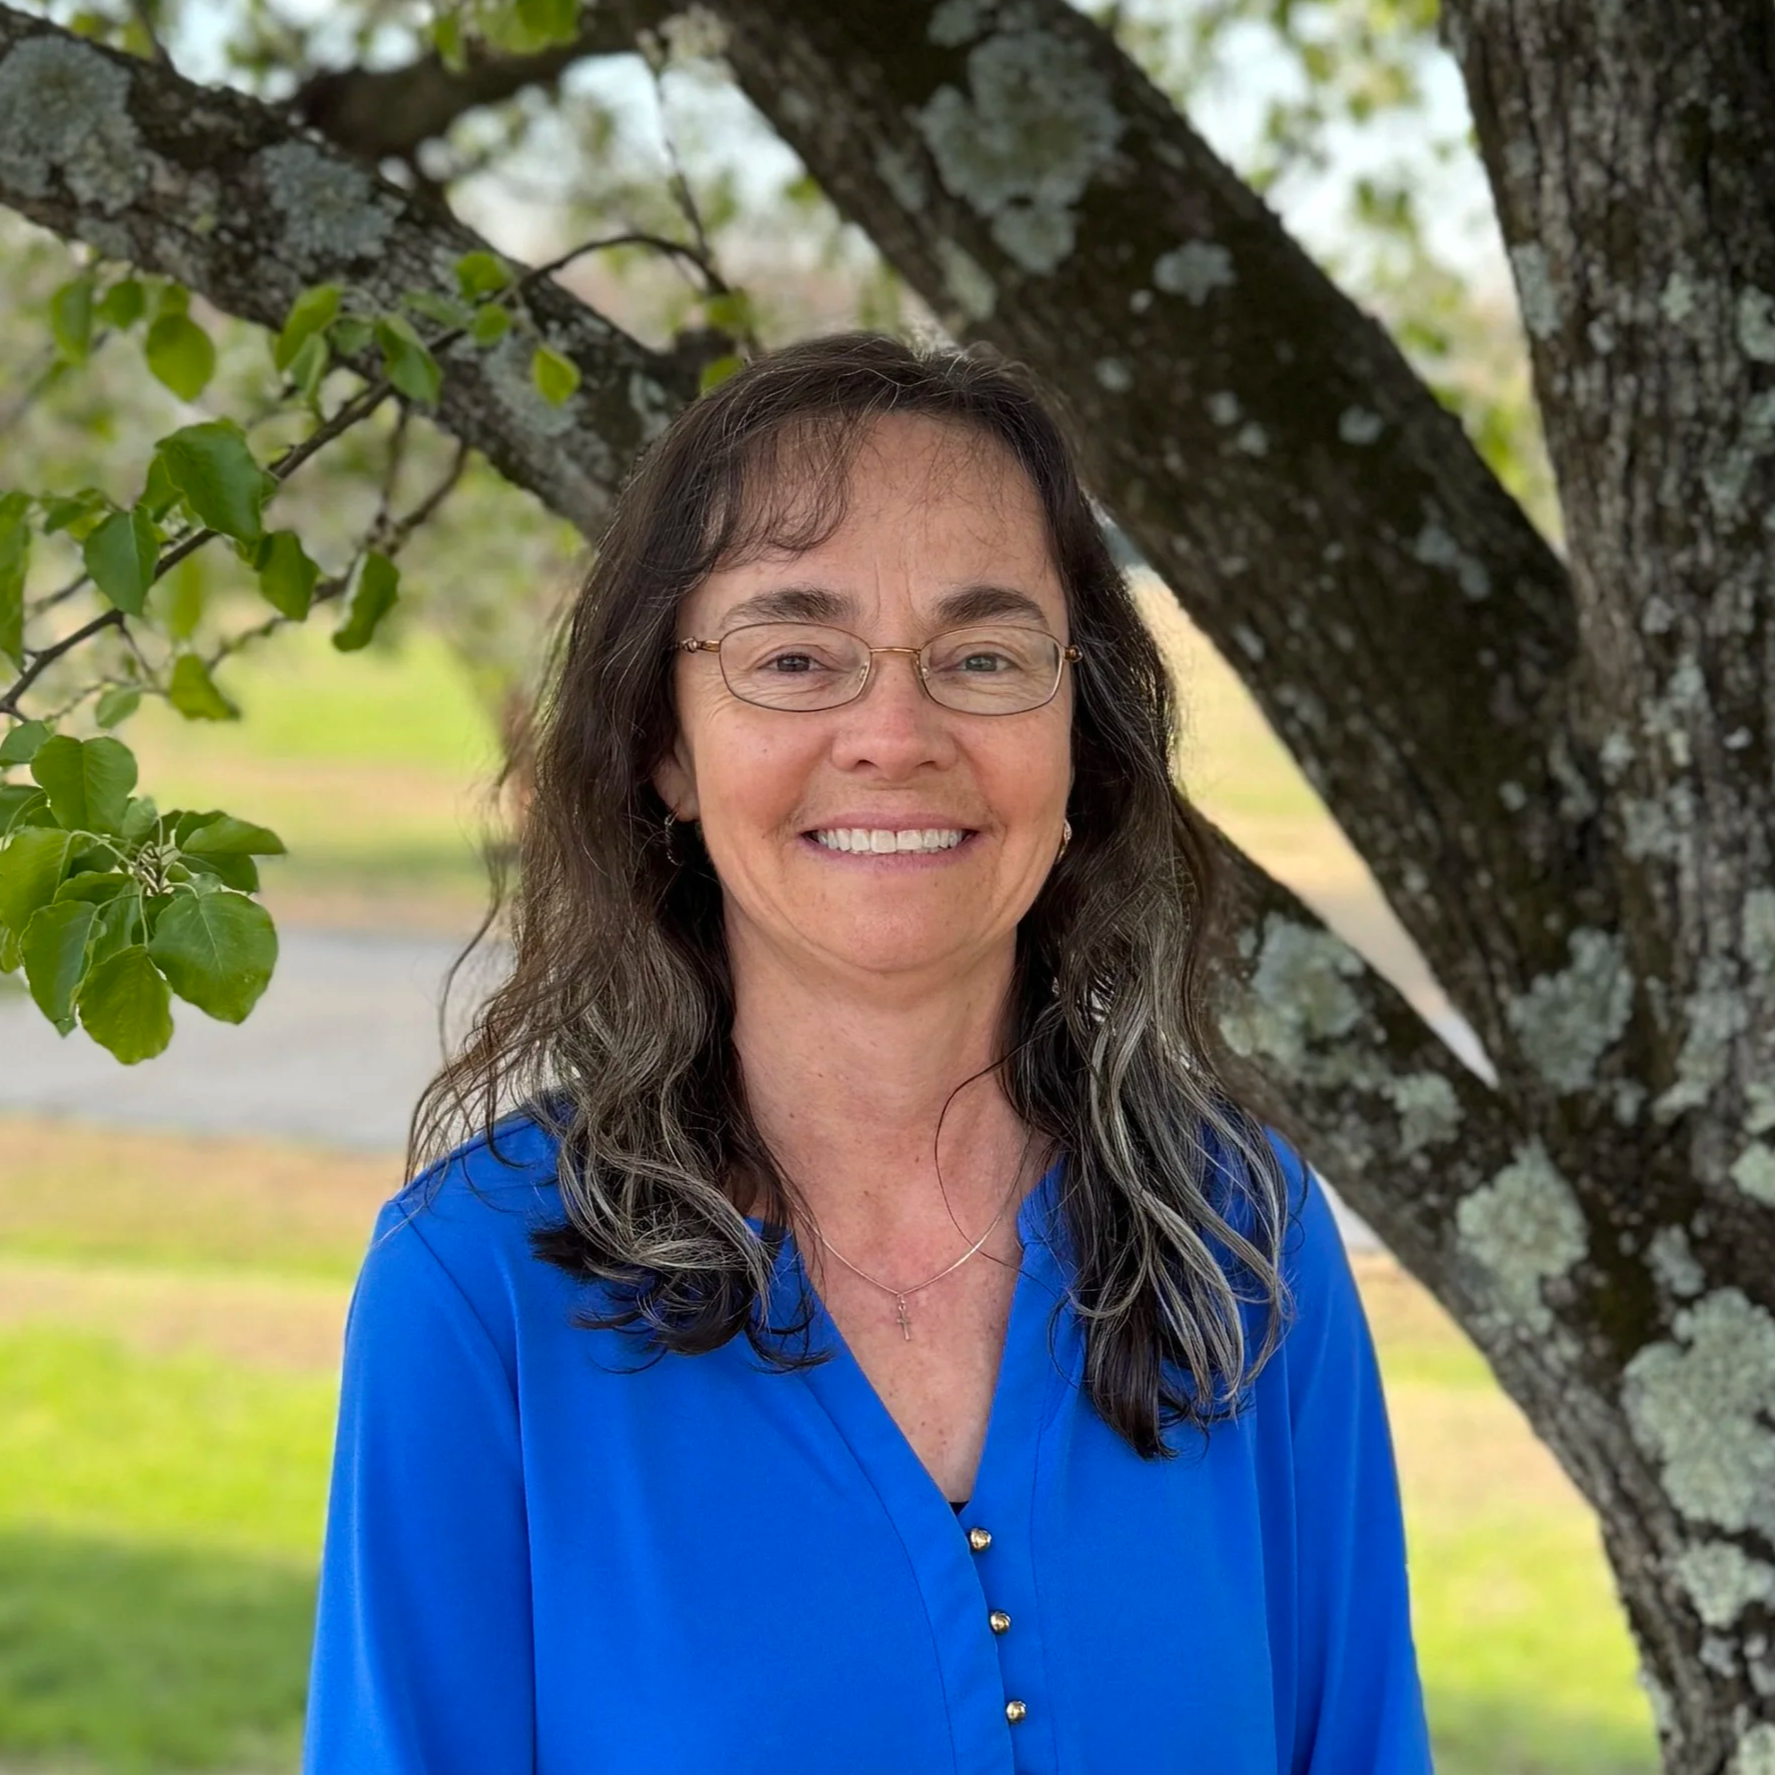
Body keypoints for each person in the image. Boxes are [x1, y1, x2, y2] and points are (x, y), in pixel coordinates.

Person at [301, 332, 1434, 1772]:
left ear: (1078, 737)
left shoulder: (1238, 1243)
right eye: (794, 658)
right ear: (666, 744)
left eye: (983, 657)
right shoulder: (479, 1291)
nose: (894, 735)